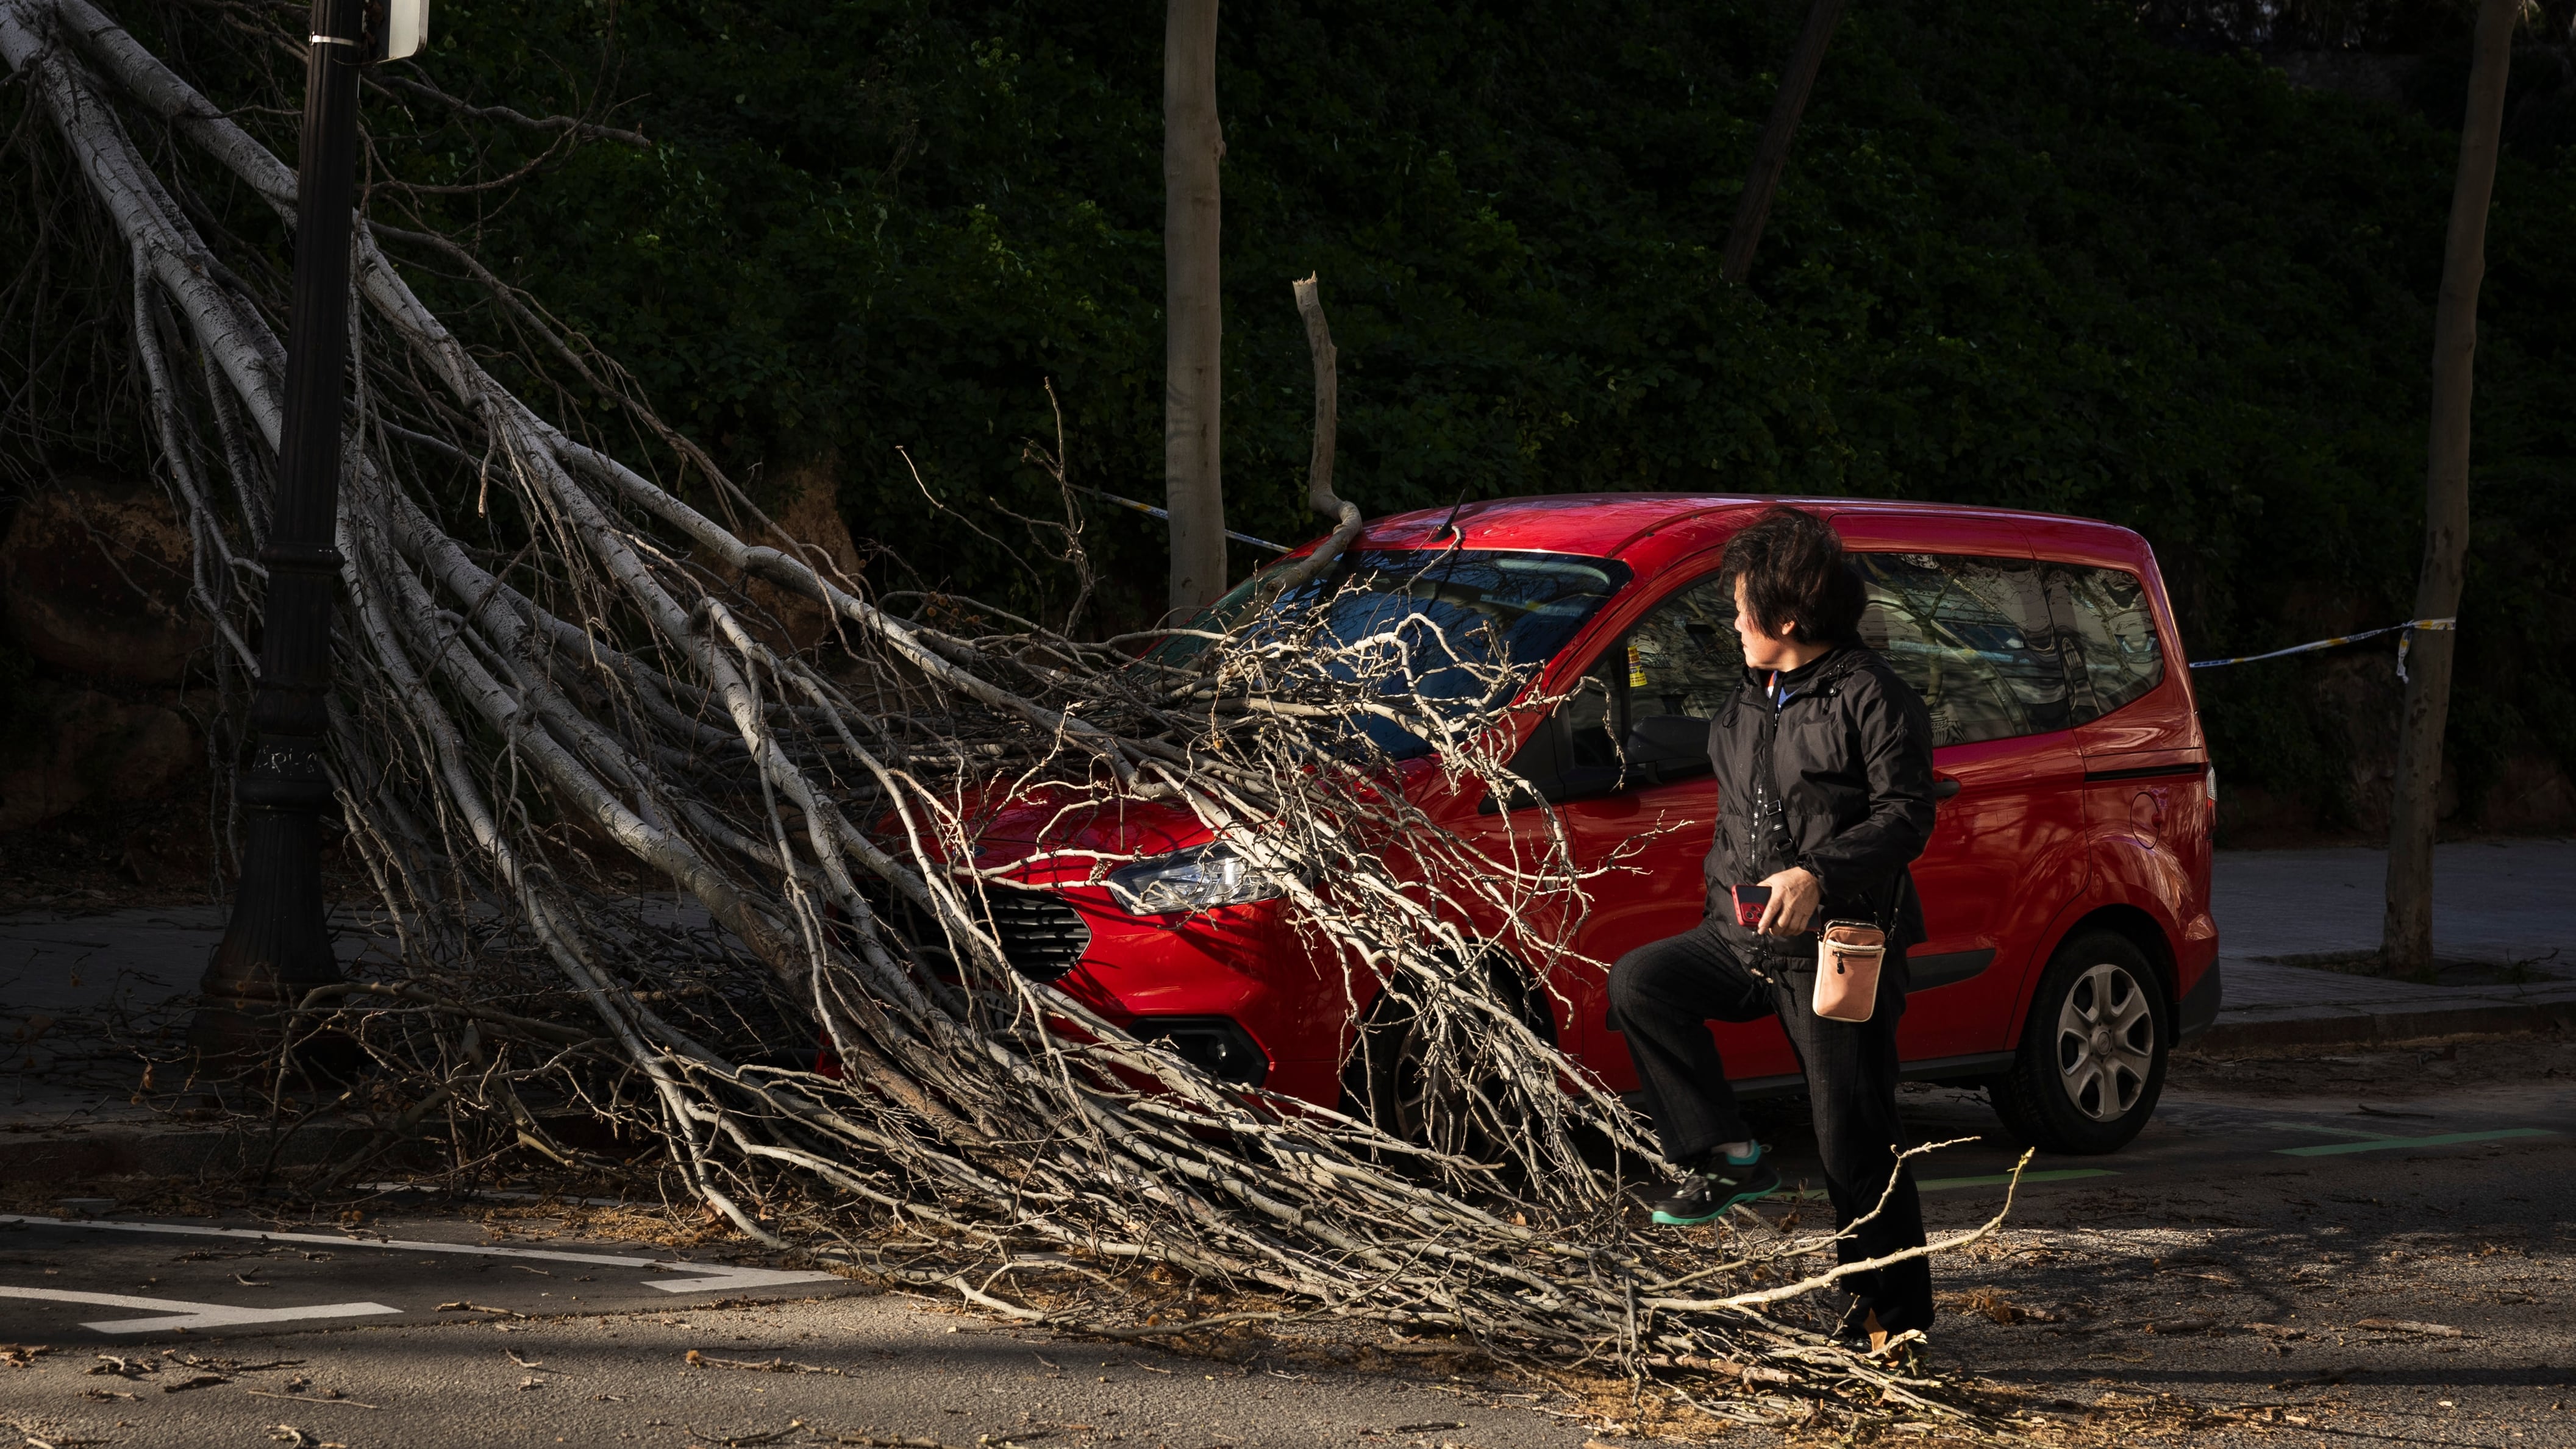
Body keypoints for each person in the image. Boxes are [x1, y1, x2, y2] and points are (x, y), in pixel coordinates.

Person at [1604, 503, 1938, 1353]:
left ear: (1787, 619)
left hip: (1834, 952)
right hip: (1738, 937)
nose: (1733, 620)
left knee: (1853, 1142)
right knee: (1642, 981)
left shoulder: (1872, 695)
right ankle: (1725, 1150)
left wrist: (1817, 873)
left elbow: (1907, 815)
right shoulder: (1752, 694)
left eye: (1742, 606)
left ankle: (1891, 1319)